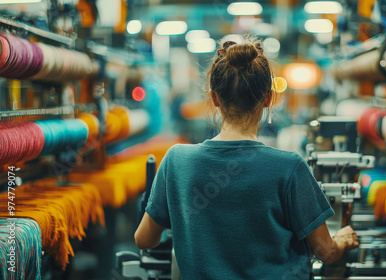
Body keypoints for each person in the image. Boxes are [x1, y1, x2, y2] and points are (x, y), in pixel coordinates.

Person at [135, 38, 359, 280]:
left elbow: (144, 239)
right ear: (268, 98)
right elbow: (325, 251)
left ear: (214, 98)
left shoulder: (176, 161)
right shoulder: (289, 167)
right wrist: (342, 241)